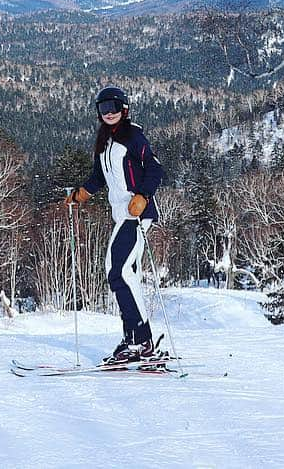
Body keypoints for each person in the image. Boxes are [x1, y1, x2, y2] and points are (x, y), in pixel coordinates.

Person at [65, 85, 166, 365]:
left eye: (113, 107)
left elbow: (155, 169)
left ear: (124, 109)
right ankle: (136, 340)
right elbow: (99, 177)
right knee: (124, 274)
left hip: (137, 215)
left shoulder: (134, 136)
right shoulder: (104, 142)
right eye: (102, 108)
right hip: (121, 215)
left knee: (118, 270)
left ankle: (139, 341)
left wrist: (143, 196)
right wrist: (81, 193)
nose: (108, 113)